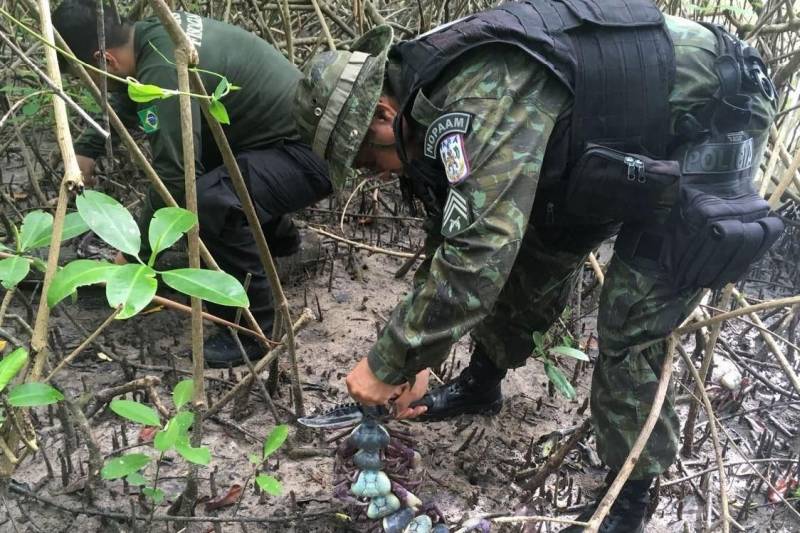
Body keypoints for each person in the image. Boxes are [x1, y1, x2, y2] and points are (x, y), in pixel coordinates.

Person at [293, 0, 781, 530]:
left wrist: (386, 363)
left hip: (713, 113)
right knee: (536, 256)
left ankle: (630, 497)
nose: (379, 176)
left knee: (631, 318)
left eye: (368, 161)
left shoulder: (481, 93)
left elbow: (478, 253)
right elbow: (457, 230)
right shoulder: (422, 92)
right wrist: (415, 360)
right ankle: (482, 384)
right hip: (601, 142)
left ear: (384, 116)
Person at [53, 0, 332, 366]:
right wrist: (87, 150)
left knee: (204, 198)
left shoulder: (164, 69)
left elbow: (174, 176)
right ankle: (279, 240)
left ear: (105, 60)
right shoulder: (152, 35)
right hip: (283, 145)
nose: (92, 85)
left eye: (85, 75)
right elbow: (128, 94)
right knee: (207, 158)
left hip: (309, 158)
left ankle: (253, 329)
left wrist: (131, 250)